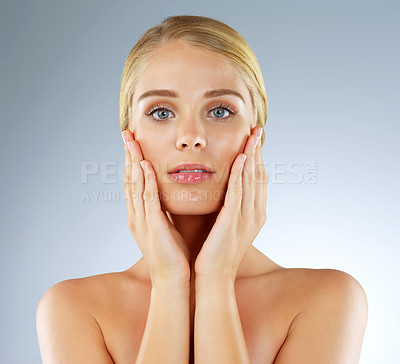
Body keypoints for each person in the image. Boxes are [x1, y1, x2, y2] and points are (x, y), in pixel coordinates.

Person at [36, 15, 368, 364]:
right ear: (129, 137)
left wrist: (217, 276)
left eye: (221, 110)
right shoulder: (73, 309)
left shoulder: (327, 299)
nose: (190, 136)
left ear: (256, 136)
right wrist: (168, 283)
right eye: (162, 112)